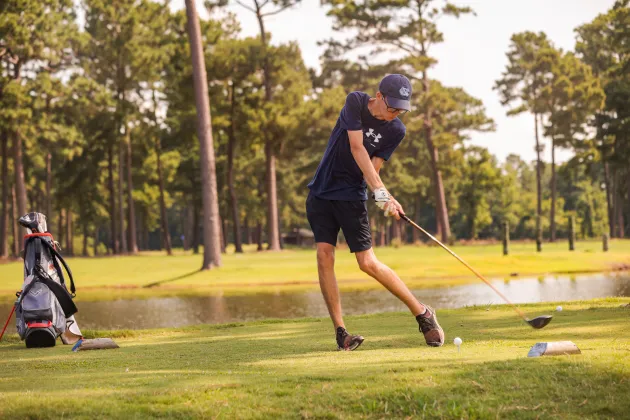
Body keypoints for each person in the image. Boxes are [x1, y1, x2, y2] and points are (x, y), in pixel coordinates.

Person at [306, 74, 445, 351]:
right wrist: (383, 193)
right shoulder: (355, 102)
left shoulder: (397, 131)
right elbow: (357, 148)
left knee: (367, 263)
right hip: (321, 193)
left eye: (400, 109)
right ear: (379, 96)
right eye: (392, 107)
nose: (395, 114)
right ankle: (341, 332)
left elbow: (373, 167)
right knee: (324, 256)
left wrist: (384, 197)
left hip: (351, 198)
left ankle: (423, 314)